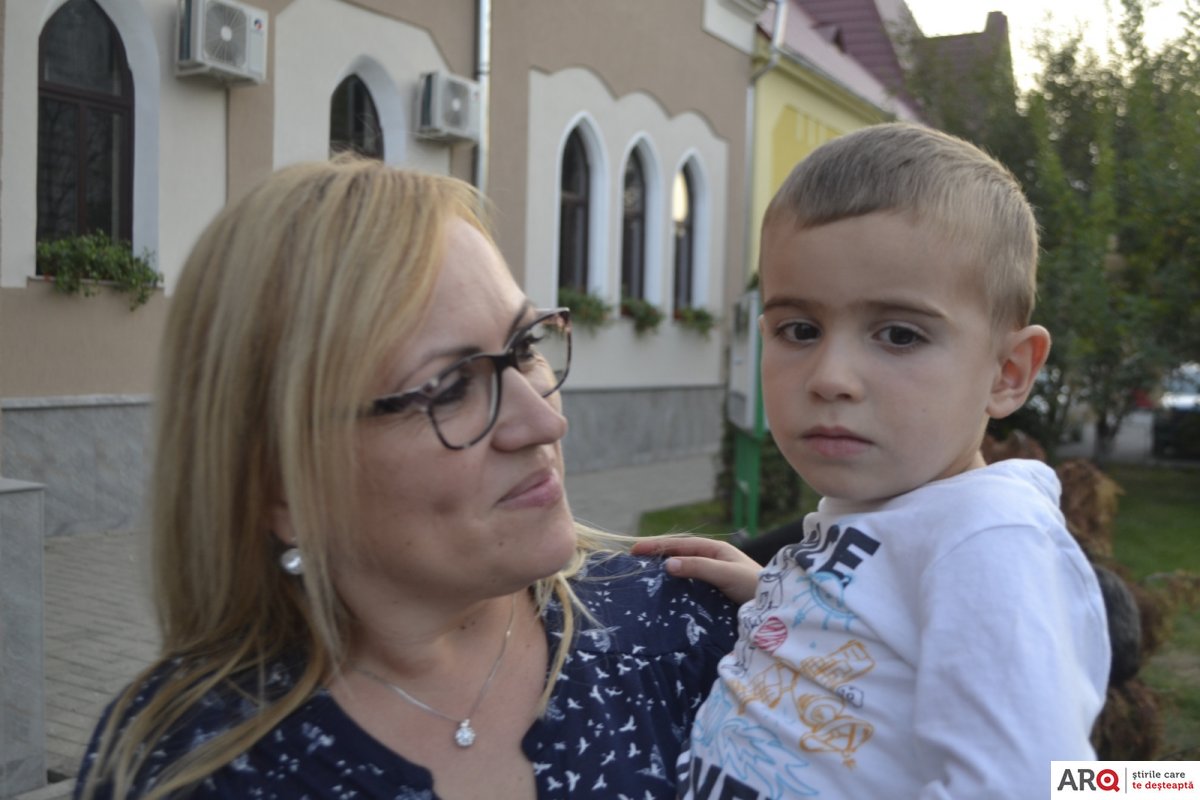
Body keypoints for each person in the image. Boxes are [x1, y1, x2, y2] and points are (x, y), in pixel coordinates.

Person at [74, 157, 737, 800]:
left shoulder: (681, 630)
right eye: (447, 388)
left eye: (525, 348)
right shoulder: (192, 765)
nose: (544, 421)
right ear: (282, 486)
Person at [639, 123, 1111, 798]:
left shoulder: (988, 538)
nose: (831, 377)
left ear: (1008, 372)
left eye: (899, 335)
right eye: (800, 330)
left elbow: (1023, 785)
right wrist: (780, 594)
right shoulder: (901, 513)